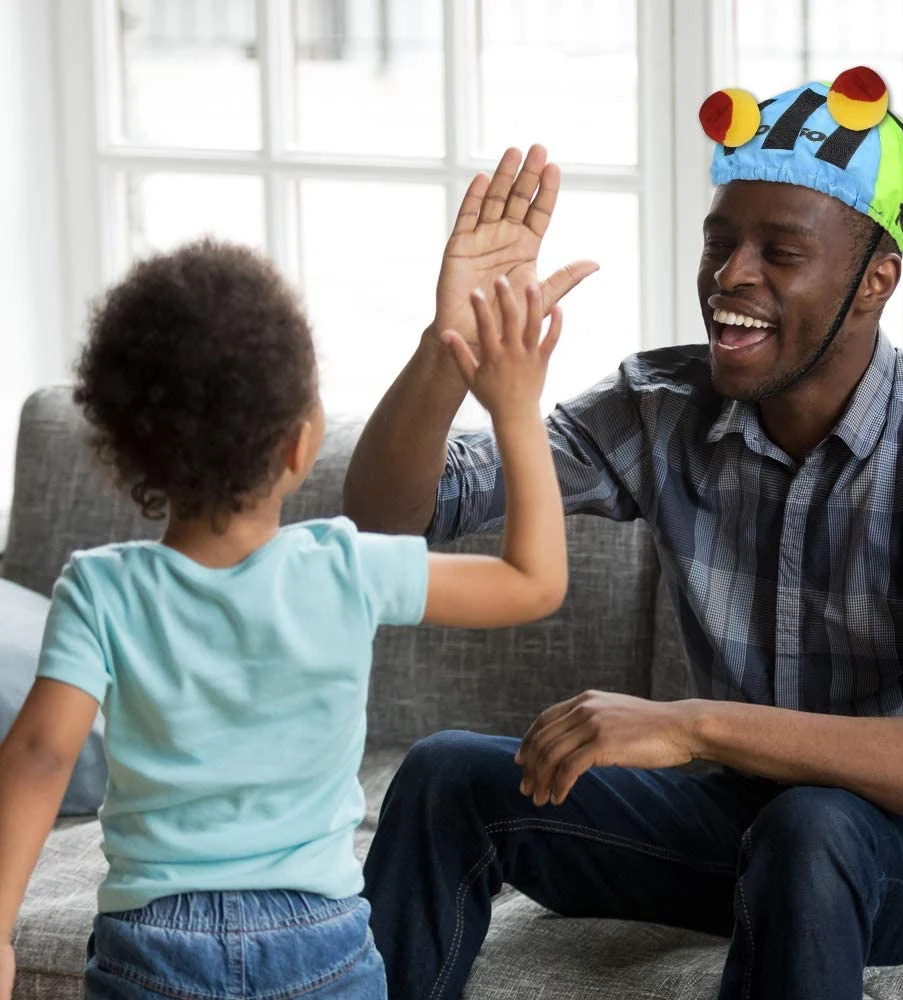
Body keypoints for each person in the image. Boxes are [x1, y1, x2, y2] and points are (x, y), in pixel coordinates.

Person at [345, 74, 903, 1000]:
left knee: (812, 825)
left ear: (875, 280)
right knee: (448, 775)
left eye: (780, 252)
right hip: (737, 827)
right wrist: (447, 346)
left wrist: (691, 725)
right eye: (720, 241)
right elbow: (390, 518)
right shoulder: (659, 409)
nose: (732, 276)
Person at [0, 239, 569, 1000]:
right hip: (318, 947)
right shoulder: (344, 567)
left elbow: (39, 756)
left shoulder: (101, 590)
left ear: (124, 452)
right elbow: (533, 582)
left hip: (151, 949)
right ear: (303, 443)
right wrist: (515, 409)